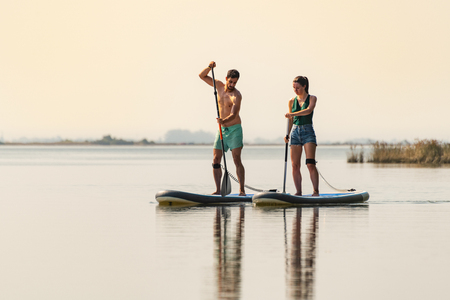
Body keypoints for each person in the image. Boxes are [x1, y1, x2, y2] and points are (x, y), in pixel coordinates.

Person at [199, 61, 246, 196]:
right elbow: (201, 76)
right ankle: (218, 190)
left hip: (235, 129)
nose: (232, 85)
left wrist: (223, 120)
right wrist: (209, 67)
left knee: (237, 159)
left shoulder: (236, 95)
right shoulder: (218, 85)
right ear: (226, 79)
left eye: (235, 83)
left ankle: (242, 191)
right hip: (221, 130)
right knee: (215, 160)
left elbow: (234, 114)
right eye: (230, 82)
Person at [284, 76, 319, 196]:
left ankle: (315, 191)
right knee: (295, 165)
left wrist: (292, 114)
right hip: (295, 132)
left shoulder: (312, 98)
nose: (295, 90)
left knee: (310, 163)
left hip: (308, 131)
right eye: (294, 88)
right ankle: (298, 192)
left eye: (298, 87)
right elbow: (291, 120)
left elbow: (308, 111)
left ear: (304, 86)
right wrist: (287, 134)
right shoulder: (291, 101)